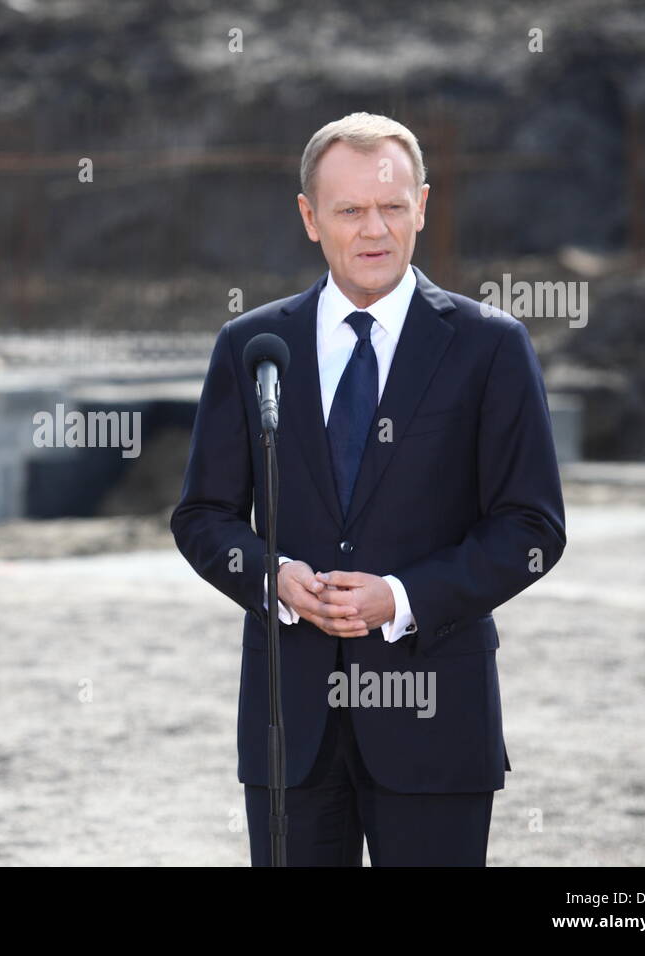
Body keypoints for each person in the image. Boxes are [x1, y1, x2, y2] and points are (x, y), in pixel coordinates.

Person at [170, 112, 566, 866]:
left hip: (436, 719)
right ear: (309, 218)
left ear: (422, 204)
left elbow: (532, 529)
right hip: (291, 727)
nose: (373, 228)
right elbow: (203, 516)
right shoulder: (253, 348)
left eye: (391, 206)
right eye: (350, 210)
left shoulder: (491, 347)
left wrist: (401, 597)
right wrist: (272, 579)